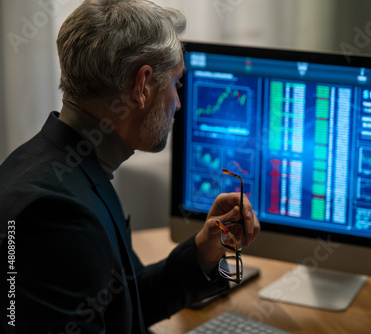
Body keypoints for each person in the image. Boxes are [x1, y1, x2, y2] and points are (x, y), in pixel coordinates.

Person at [0, 0, 260, 332]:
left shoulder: (65, 167)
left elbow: (123, 305)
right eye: (176, 83)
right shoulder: (59, 216)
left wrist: (204, 250)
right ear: (142, 86)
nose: (179, 102)